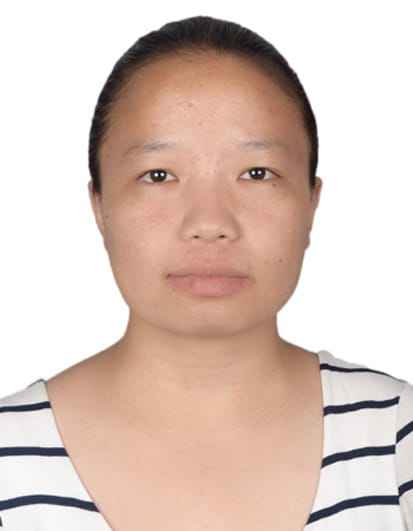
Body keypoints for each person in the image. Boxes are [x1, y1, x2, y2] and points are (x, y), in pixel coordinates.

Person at [0, 15, 412, 531]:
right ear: (99, 206)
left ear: (311, 203)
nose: (210, 223)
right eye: (158, 175)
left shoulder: (397, 436)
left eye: (256, 173)